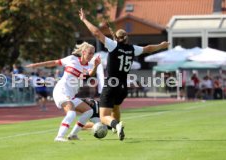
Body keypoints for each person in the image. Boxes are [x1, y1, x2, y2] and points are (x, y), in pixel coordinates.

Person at [79, 8, 170, 141]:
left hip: (111, 84)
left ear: (116, 38)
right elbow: (148, 48)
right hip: (123, 87)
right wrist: (161, 45)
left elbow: (97, 33)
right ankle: (117, 127)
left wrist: (84, 20)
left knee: (104, 116)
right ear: (127, 38)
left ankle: (116, 125)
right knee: (116, 108)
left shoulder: (113, 45)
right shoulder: (133, 49)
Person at [26, 42, 101, 142]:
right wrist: (36, 65)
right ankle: (59, 137)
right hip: (61, 91)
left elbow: (89, 75)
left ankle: (73, 135)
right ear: (83, 52)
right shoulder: (71, 59)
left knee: (89, 111)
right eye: (90, 53)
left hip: (71, 96)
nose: (91, 56)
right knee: (71, 114)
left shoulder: (88, 66)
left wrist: (96, 66)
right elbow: (54, 62)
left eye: (93, 53)